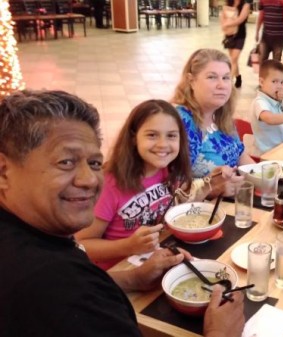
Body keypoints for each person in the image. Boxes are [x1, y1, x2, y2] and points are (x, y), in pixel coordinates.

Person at [0, 90, 244, 337]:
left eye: (95, 163)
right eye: (65, 162)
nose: (89, 180)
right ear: (3, 172)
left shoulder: (37, 246)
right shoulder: (54, 286)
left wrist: (133, 279)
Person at [74, 100, 195, 270]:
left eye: (171, 135)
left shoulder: (170, 170)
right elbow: (81, 245)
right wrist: (129, 246)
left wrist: (208, 187)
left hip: (159, 257)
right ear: (133, 138)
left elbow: (181, 205)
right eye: (152, 135)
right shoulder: (109, 183)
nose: (163, 144)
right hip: (118, 272)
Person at [172, 48, 254, 193]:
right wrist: (213, 188)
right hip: (199, 211)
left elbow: (240, 155)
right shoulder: (182, 123)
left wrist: (265, 178)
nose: (221, 85)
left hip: (230, 201)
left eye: (226, 77)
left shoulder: (221, 114)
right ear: (191, 81)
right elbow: (173, 188)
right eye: (212, 77)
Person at [220, 0, 252, 88]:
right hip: (229, 34)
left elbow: (240, 20)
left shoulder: (245, 5)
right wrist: (223, 23)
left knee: (233, 59)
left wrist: (226, 24)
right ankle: (238, 77)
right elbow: (223, 15)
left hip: (240, 35)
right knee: (234, 60)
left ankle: (227, 84)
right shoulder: (228, 4)